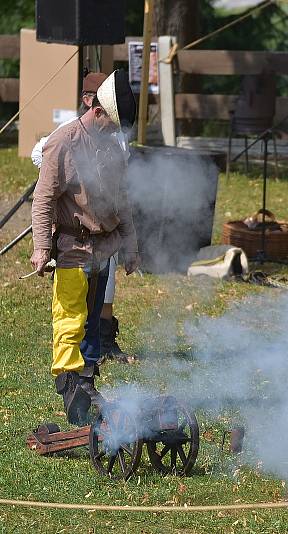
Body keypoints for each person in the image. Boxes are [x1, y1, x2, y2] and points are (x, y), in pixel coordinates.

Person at [30, 70, 140, 425]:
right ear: (98, 112)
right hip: (73, 247)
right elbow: (44, 198)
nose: (116, 132)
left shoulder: (111, 147)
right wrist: (41, 247)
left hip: (104, 247)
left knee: (92, 321)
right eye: (113, 123)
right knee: (70, 319)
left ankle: (87, 382)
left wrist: (131, 247)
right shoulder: (63, 142)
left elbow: (123, 201)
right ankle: (71, 387)